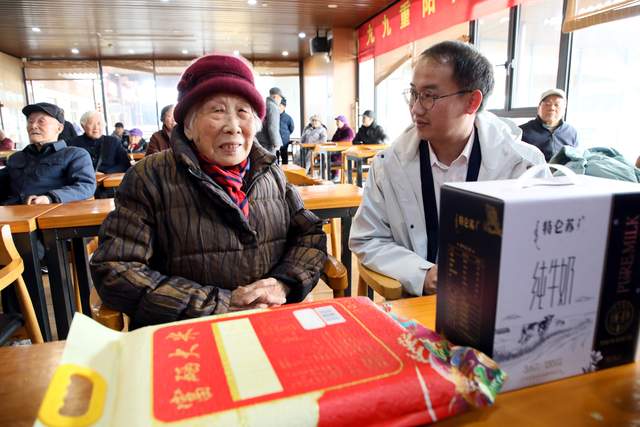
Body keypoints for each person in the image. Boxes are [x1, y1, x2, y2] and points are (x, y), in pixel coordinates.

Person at [90, 54, 327, 328]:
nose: (233, 126)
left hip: (269, 323)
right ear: (189, 126)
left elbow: (309, 236)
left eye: (243, 112)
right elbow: (116, 268)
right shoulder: (149, 177)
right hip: (187, 333)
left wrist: (283, 283)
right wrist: (219, 303)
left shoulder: (269, 171)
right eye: (217, 111)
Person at [349, 41, 545, 297]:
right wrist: (420, 274)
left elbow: (539, 249)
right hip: (416, 302)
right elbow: (367, 237)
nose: (415, 108)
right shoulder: (389, 164)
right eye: (414, 93)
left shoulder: (523, 167)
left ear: (472, 101)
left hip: (494, 302)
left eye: (429, 96)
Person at [1, 102, 95, 206]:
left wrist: (50, 198)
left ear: (59, 128)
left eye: (41, 121)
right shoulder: (16, 157)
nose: (33, 126)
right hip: (11, 211)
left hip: (50, 212)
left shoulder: (76, 155)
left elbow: (86, 186)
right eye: (30, 121)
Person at [519, 89, 579, 162]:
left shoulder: (571, 132)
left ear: (564, 109)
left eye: (557, 105)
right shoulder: (521, 131)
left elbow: (576, 159)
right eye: (547, 104)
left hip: (562, 169)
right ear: (538, 108)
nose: (552, 108)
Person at [255, 87, 283, 156]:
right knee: (269, 161)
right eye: (280, 98)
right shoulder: (273, 107)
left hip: (260, 139)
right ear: (276, 96)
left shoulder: (265, 104)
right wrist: (276, 142)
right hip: (268, 141)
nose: (280, 101)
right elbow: (273, 126)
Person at [278, 97, 294, 164]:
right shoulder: (273, 116)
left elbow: (291, 128)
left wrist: (286, 135)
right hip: (274, 140)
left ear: (284, 107)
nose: (277, 107)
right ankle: (276, 169)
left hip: (284, 141)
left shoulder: (288, 118)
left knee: (284, 156)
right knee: (275, 157)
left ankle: (285, 169)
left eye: (279, 105)